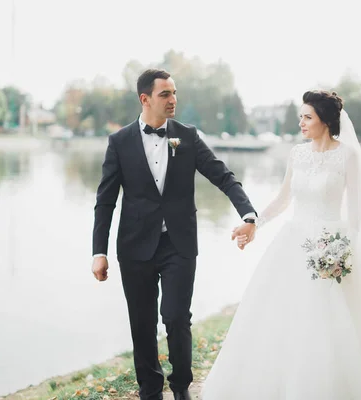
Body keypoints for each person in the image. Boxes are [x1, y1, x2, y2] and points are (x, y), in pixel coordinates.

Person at [202, 90, 361, 399]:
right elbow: (284, 199)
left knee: (335, 323)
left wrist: (341, 252)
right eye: (300, 116)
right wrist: (254, 222)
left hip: (331, 247)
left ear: (325, 120)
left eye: (307, 116)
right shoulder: (297, 154)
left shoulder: (347, 155)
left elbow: (355, 216)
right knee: (283, 319)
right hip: (292, 246)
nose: (301, 122)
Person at [91, 69, 257, 400]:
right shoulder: (120, 142)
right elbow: (105, 200)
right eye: (165, 94)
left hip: (178, 244)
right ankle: (150, 391)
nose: (173, 100)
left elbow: (222, 175)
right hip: (134, 247)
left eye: (174, 93)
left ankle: (181, 387)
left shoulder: (188, 136)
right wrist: (99, 251)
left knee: (177, 317)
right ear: (145, 98)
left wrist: (249, 214)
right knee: (142, 324)